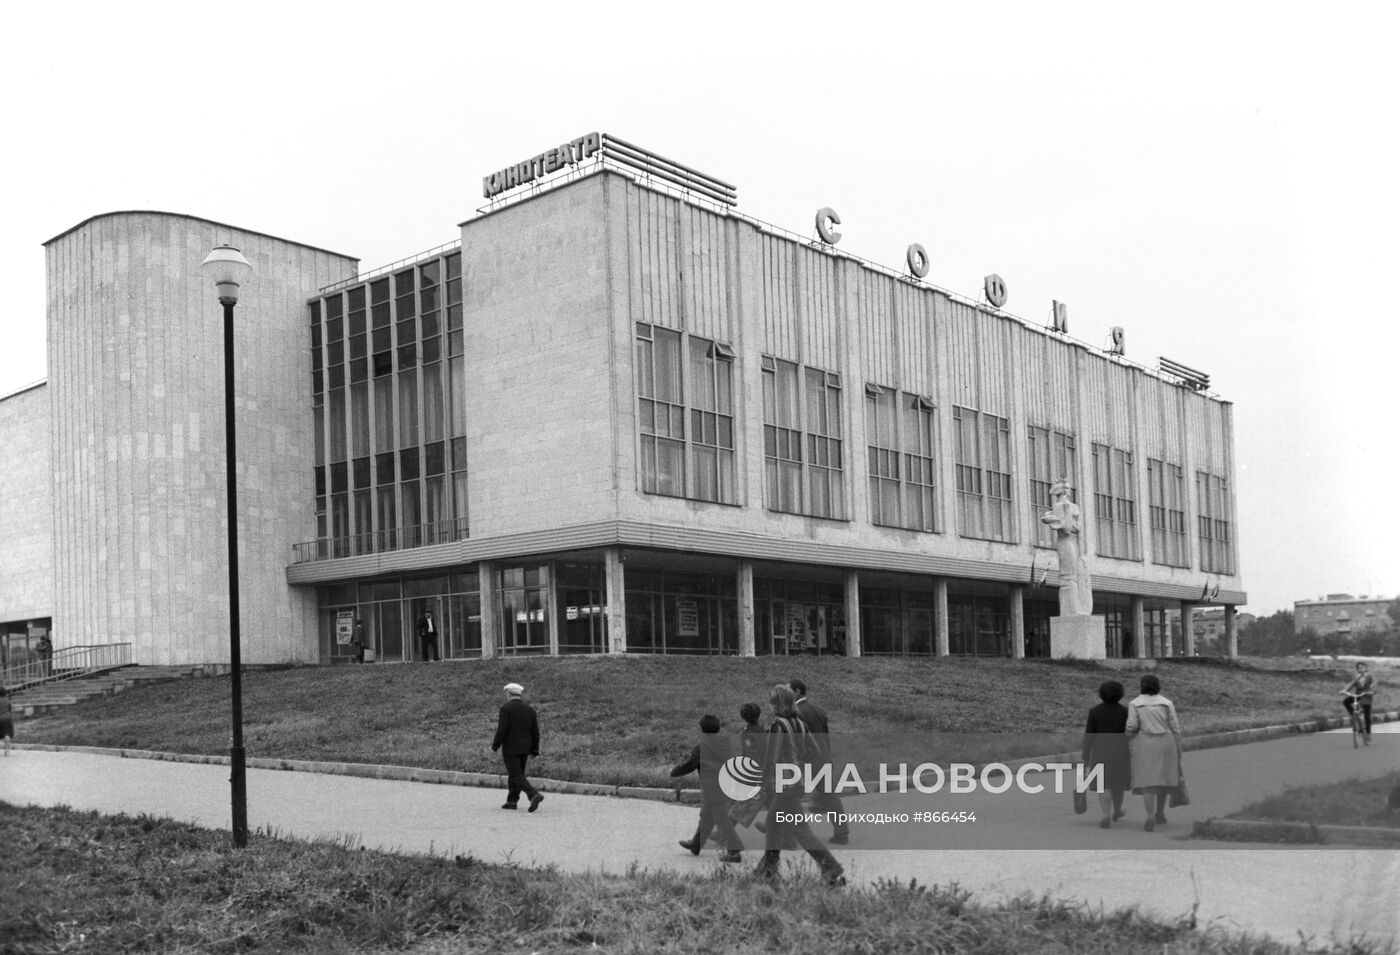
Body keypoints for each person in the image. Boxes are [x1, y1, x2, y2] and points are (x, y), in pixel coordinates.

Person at [754, 684, 844, 886]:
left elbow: (772, 757)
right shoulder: (799, 723)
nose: (769, 705)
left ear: (778, 703)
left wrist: (762, 782)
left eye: (771, 701)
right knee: (772, 824)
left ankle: (831, 867)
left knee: (801, 831)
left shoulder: (778, 725)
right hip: (797, 781)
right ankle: (767, 870)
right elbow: (814, 751)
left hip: (784, 784)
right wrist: (798, 761)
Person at [671, 714, 743, 863]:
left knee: (722, 820)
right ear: (718, 728)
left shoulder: (701, 748)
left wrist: (675, 772)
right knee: (707, 816)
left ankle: (734, 850)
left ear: (702, 729)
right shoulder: (726, 743)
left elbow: (689, 765)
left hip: (713, 789)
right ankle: (696, 844)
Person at [790, 678, 848, 844]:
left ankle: (841, 832)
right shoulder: (818, 710)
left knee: (789, 795)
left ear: (797, 692)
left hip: (809, 759)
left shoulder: (798, 713)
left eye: (789, 690)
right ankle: (840, 832)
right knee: (828, 795)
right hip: (823, 756)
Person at [1125, 673, 1182, 832]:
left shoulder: (1135, 704)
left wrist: (1129, 737)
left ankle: (1149, 816)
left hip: (1145, 744)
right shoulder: (1166, 703)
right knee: (1162, 780)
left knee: (1148, 782)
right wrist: (1179, 747)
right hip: (1166, 742)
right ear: (1158, 686)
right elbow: (1175, 727)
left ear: (1142, 686)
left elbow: (1131, 726)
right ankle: (1160, 813)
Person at [1081, 680, 1131, 828]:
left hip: (1101, 751)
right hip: (1121, 752)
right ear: (1120, 694)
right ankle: (1117, 810)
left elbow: (1089, 735)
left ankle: (1105, 815)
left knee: (1104, 785)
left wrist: (1085, 754)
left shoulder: (1094, 712)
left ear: (1101, 694)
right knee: (1118, 785)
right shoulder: (1125, 712)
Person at [491, 683, 543, 812]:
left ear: (508, 694)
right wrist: (535, 749)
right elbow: (535, 731)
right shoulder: (530, 710)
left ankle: (533, 794)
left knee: (515, 774)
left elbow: (502, 729)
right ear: (520, 694)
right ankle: (512, 801)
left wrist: (495, 746)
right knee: (517, 774)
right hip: (525, 748)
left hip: (511, 747)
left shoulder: (506, 708)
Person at [1341, 661, 1375, 742]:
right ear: (1357, 670)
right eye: (1359, 668)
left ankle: (1368, 733)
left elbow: (1374, 683)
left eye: (1362, 667)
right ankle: (1354, 714)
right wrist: (1345, 690)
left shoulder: (1370, 676)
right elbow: (1351, 684)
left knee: (1367, 715)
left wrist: (1372, 690)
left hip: (1366, 696)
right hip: (1358, 696)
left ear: (1366, 668)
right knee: (1345, 701)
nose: (1360, 669)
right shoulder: (1357, 677)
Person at [0, 685, 14, 756]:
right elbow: (10, 710)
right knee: (7, 734)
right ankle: (7, 750)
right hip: (7, 719)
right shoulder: (8, 701)